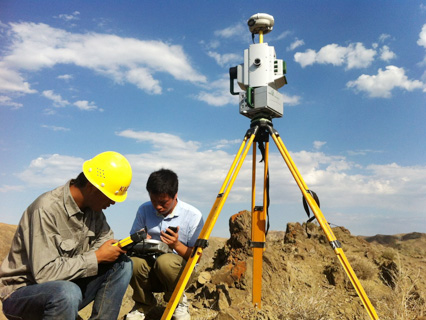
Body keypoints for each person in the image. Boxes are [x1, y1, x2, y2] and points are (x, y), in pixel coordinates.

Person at [0, 151, 133, 320]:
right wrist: (97, 257)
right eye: (110, 196)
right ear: (92, 188)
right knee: (67, 292)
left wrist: (120, 247)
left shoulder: (94, 212)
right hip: (22, 294)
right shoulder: (46, 209)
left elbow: (105, 242)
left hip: (66, 288)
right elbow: (45, 274)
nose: (113, 202)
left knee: (122, 265)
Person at [126, 169, 204, 320]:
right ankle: (143, 304)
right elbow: (131, 243)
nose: (158, 207)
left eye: (163, 203)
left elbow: (197, 258)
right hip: (151, 270)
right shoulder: (144, 209)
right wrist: (139, 241)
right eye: (154, 201)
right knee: (131, 263)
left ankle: (177, 302)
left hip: (179, 272)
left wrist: (176, 245)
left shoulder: (193, 215)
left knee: (165, 261)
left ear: (175, 196)